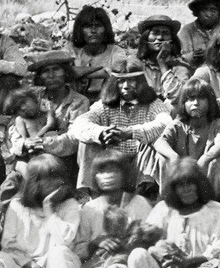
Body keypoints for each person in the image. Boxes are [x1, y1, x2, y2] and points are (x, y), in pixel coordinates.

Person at [127, 161, 220, 268]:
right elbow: (147, 239)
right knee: (138, 255)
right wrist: (166, 259)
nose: (186, 189)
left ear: (199, 184)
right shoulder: (163, 208)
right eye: (180, 185)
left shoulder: (216, 210)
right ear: (173, 189)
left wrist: (189, 262)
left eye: (191, 183)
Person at [66, 55, 171, 192]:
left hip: (138, 166)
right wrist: (100, 133)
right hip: (111, 164)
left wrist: (131, 132)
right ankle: (93, 194)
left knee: (153, 142)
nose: (126, 86)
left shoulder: (153, 104)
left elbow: (166, 122)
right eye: (121, 81)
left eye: (131, 81)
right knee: (87, 143)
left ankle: (143, 194)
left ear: (141, 82)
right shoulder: (105, 105)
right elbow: (79, 124)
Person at [78, 153, 154, 268]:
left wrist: (129, 244)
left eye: (114, 170)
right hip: (97, 265)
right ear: (94, 176)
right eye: (102, 171)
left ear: (125, 174)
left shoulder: (139, 204)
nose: (108, 176)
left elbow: (151, 237)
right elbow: (78, 249)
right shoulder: (89, 209)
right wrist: (95, 243)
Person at [154, 78, 220, 197]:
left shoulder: (217, 124)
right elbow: (159, 142)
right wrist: (173, 156)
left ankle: (212, 199)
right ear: (183, 103)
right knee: (162, 157)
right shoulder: (177, 125)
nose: (195, 103)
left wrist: (206, 158)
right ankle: (168, 198)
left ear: (210, 102)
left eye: (201, 98)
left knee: (216, 160)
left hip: (205, 178)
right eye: (190, 99)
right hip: (181, 177)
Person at [12, 51, 90, 165]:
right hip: (29, 154)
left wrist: (42, 143)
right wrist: (23, 143)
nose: (51, 75)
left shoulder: (79, 102)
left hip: (62, 159)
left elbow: (75, 137)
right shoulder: (34, 96)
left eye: (56, 69)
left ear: (65, 72)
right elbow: (14, 128)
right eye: (45, 71)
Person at [136, 15, 189, 103]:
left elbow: (180, 96)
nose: (160, 37)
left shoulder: (179, 65)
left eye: (165, 33)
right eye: (155, 33)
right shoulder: (137, 63)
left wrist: (162, 63)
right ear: (146, 37)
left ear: (172, 39)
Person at [178, 0, 220, 68]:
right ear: (197, 12)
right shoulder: (188, 30)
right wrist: (193, 56)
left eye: (213, 10)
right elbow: (182, 57)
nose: (208, 14)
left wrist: (212, 54)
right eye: (204, 10)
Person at [69, 6, 119, 81]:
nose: (93, 31)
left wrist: (78, 72)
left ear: (106, 29)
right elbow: (64, 71)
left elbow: (117, 71)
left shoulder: (115, 51)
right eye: (88, 26)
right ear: (80, 30)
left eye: (98, 26)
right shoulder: (72, 49)